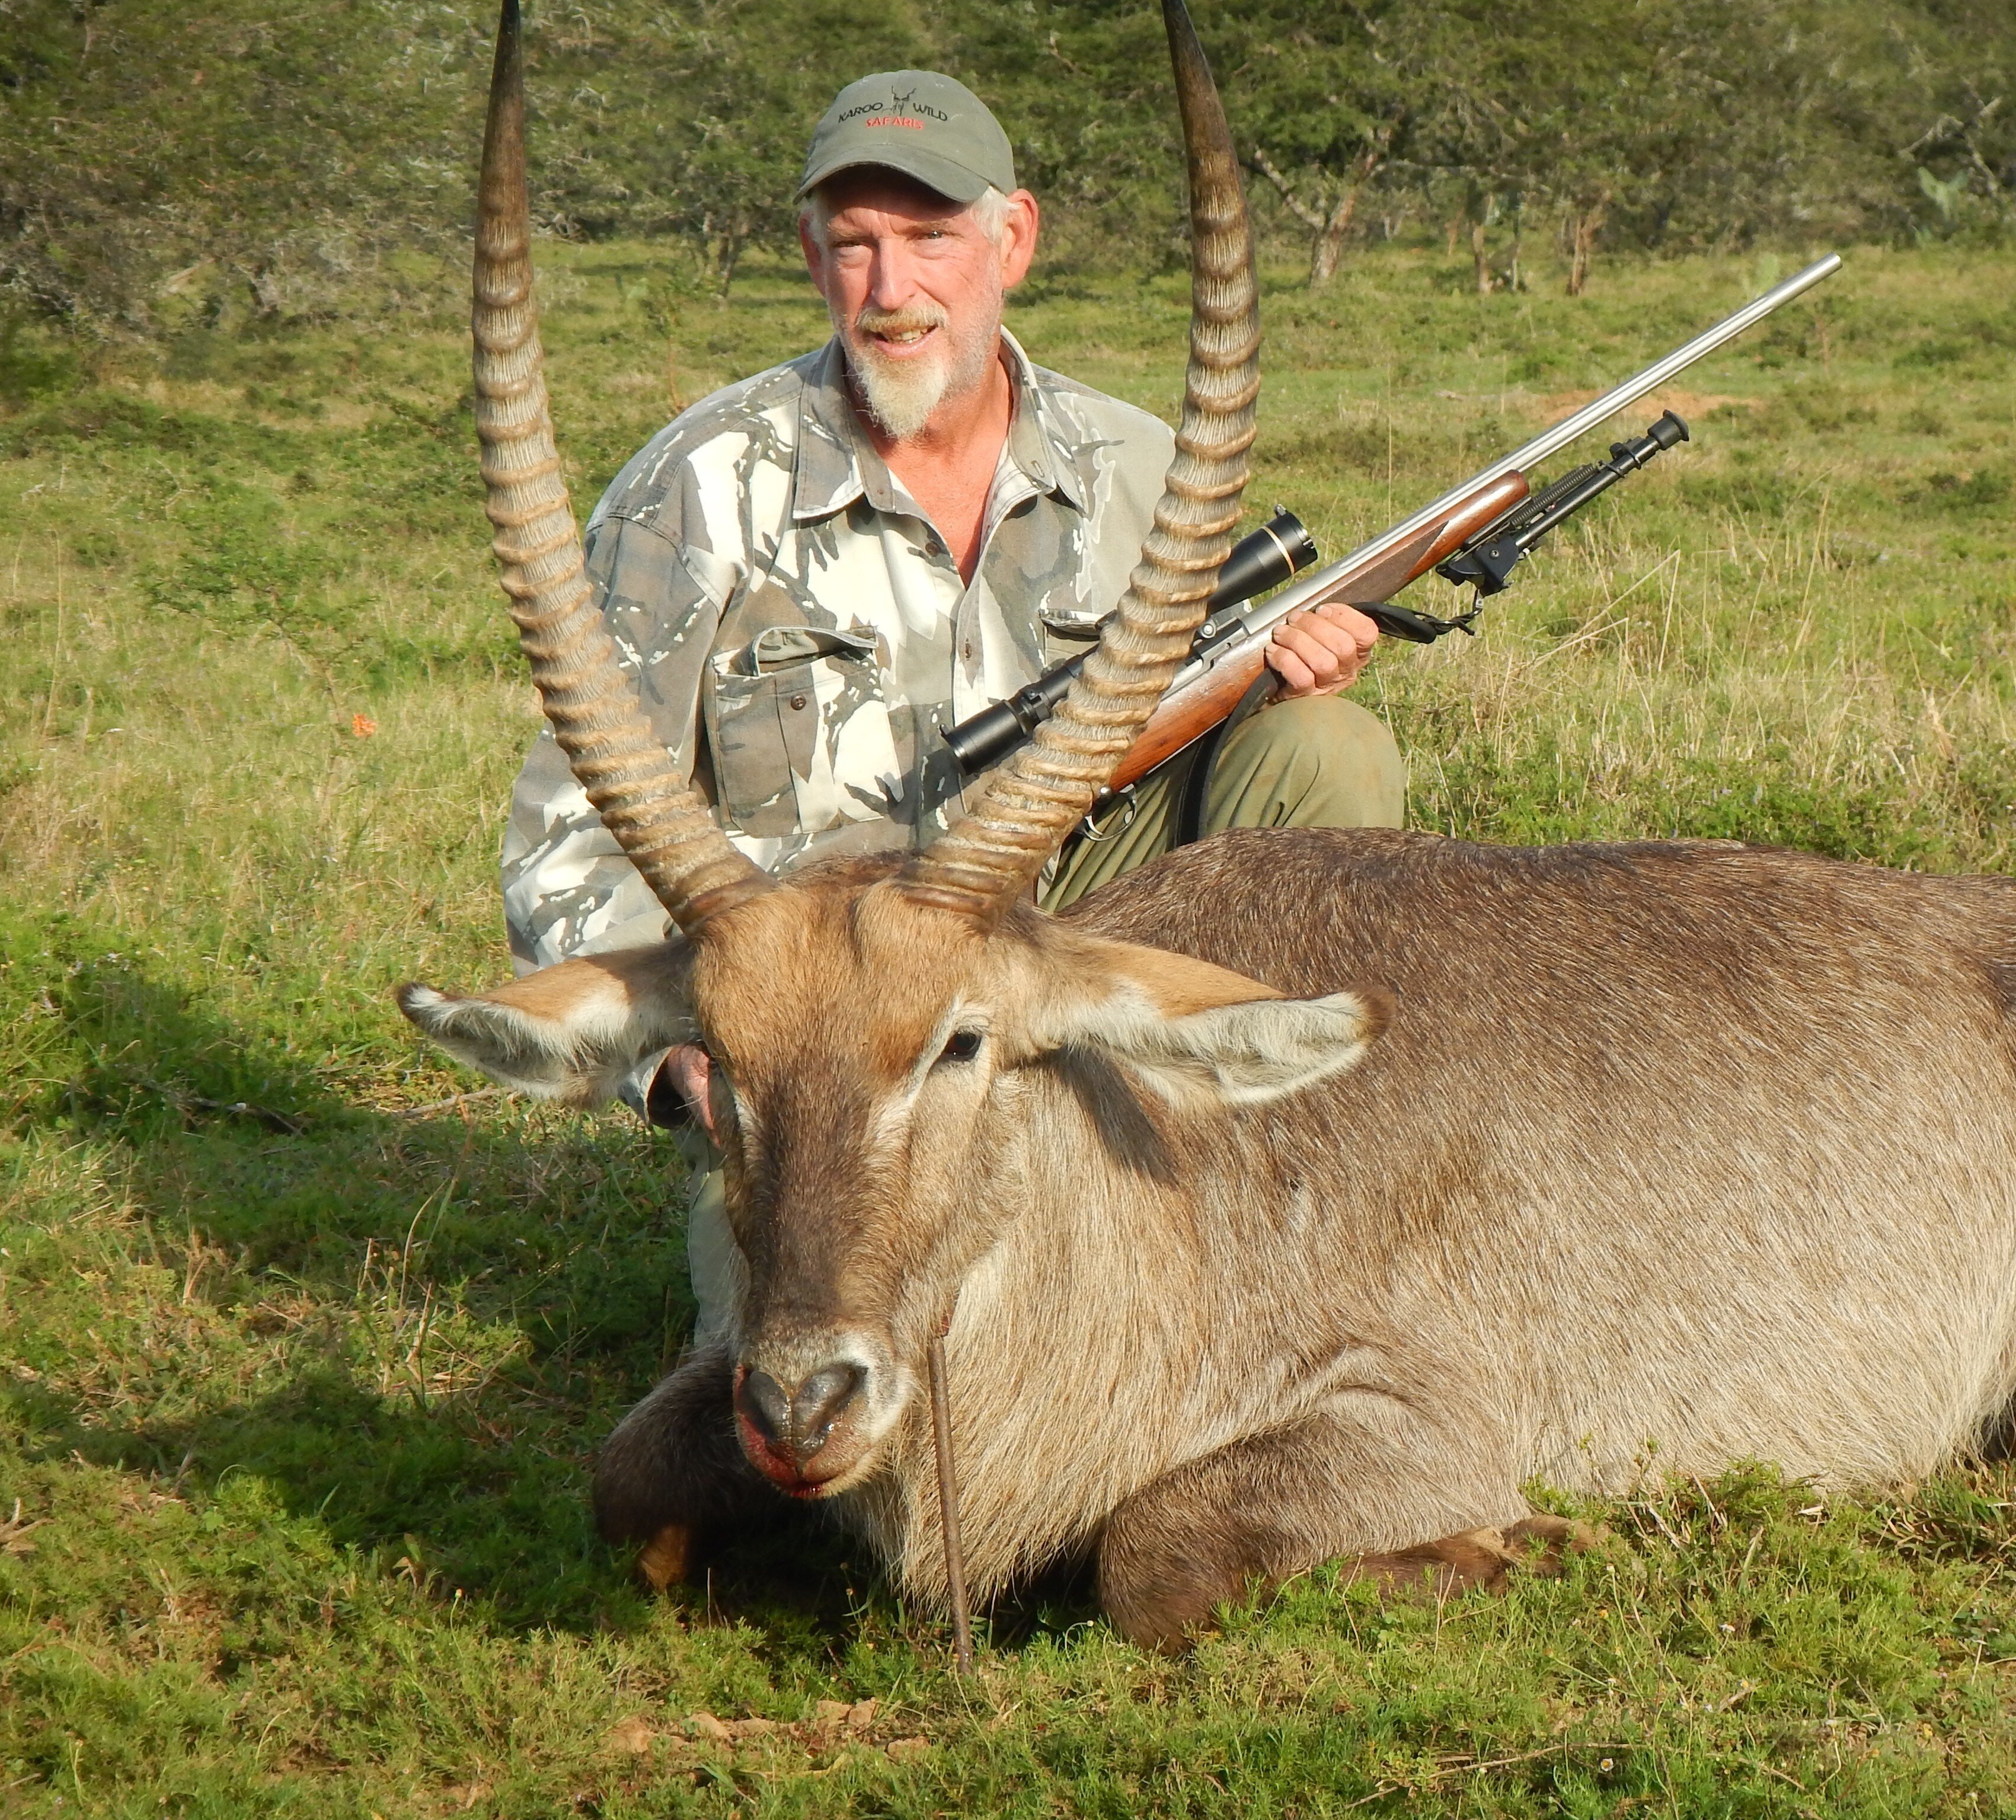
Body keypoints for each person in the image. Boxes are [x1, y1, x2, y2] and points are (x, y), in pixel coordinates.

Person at [498, 70, 1401, 1343]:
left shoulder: (1141, 467)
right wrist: (685, 1063)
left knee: (1324, 746)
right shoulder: (695, 486)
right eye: (856, 245)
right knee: (765, 1397)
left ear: (1012, 239)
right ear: (811, 255)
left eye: (932, 237)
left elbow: (1234, 749)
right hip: (819, 1053)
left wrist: (1284, 674)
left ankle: (1298, 1189)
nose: (893, 288)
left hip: (1053, 961)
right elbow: (567, 838)